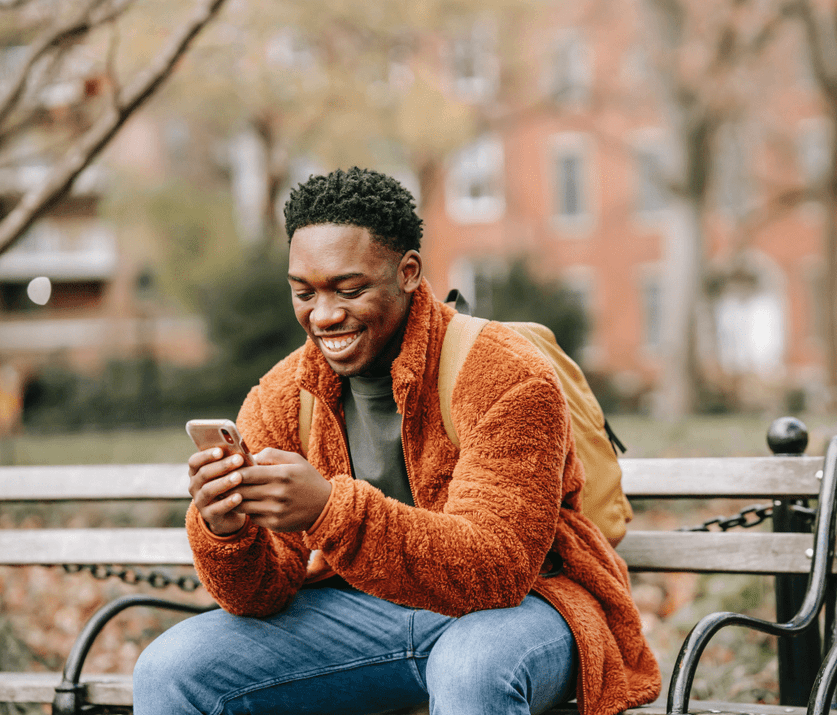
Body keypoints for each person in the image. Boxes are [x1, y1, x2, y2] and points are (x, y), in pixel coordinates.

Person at [133, 167, 660, 715]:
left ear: (408, 272)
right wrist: (227, 529)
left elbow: (498, 571)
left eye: (350, 288)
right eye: (303, 292)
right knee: (172, 670)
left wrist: (330, 509)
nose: (324, 314)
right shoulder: (283, 395)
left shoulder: (505, 371)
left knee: (471, 667)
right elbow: (260, 594)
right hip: (364, 618)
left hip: (529, 608)